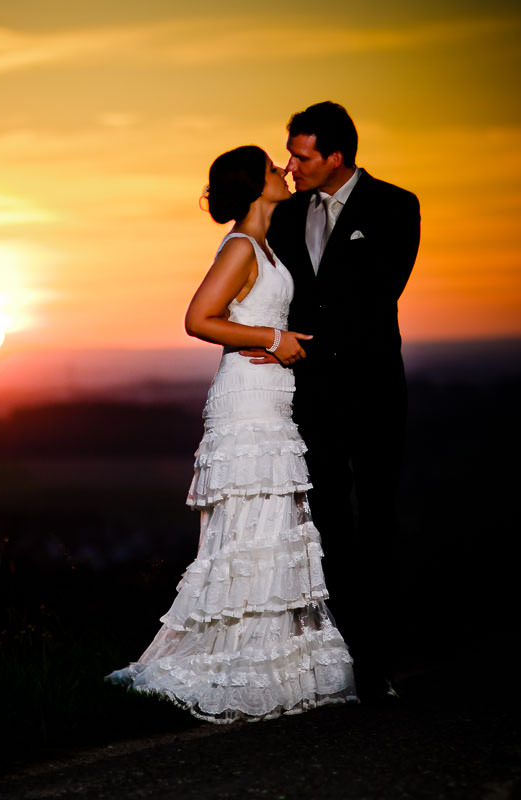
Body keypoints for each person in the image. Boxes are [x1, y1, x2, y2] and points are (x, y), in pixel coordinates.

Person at [106, 145, 356, 721]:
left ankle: (266, 653)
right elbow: (198, 318)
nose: (285, 172)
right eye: (274, 168)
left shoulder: (266, 245)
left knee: (270, 523)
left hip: (270, 399)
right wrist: (272, 339)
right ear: (253, 185)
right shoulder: (242, 247)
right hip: (245, 402)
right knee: (247, 525)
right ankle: (233, 659)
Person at [247, 101, 420, 700]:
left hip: (372, 390)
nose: (290, 165)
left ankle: (380, 660)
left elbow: (377, 297)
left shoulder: (397, 206)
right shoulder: (289, 214)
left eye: (301, 155)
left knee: (376, 520)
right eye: (290, 154)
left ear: (335, 157)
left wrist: (298, 348)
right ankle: (338, 657)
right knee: (326, 526)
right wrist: (263, 338)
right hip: (311, 398)